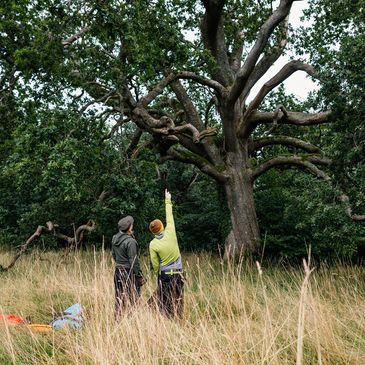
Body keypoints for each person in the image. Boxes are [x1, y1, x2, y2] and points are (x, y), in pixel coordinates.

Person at [149, 189, 184, 318]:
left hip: (164, 275)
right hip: (178, 273)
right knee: (178, 300)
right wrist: (167, 200)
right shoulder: (170, 231)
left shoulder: (153, 244)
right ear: (162, 226)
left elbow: (155, 262)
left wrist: (158, 271)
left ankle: (166, 320)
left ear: (153, 232)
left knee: (165, 301)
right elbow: (170, 216)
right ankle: (178, 319)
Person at [112, 215, 145, 319]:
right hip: (128, 272)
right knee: (133, 299)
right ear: (129, 227)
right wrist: (139, 275)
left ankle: (118, 319)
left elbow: (114, 255)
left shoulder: (114, 238)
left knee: (119, 298)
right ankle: (132, 321)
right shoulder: (130, 242)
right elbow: (134, 261)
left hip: (117, 271)